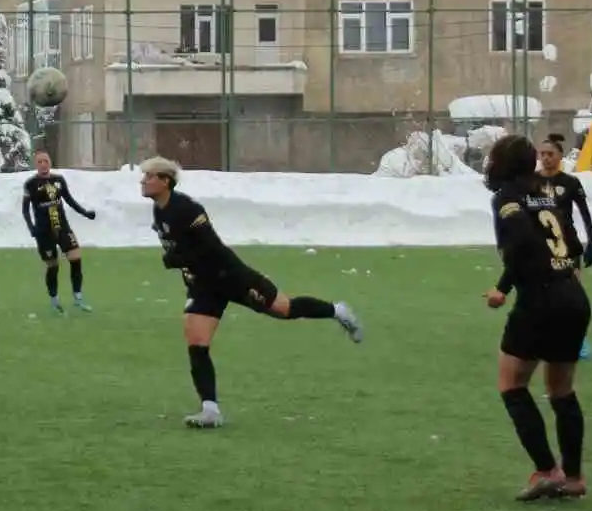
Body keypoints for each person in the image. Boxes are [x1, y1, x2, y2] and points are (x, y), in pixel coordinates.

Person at [139, 156, 362, 429]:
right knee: (197, 343)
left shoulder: (187, 208)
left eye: (148, 176)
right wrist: (179, 259)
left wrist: (179, 257)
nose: (143, 181)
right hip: (203, 285)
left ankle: (336, 310)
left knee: (284, 309)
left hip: (230, 276)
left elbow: (211, 245)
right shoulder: (158, 211)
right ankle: (210, 409)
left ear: (165, 181)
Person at [482, 134, 591, 501]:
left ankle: (546, 470)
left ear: (502, 163)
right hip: (573, 296)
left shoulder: (507, 198)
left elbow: (522, 245)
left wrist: (502, 288)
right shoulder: (546, 193)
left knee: (511, 384)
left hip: (541, 299)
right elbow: (573, 245)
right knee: (561, 391)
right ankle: (573, 477)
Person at [535, 132, 592, 359]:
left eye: (550, 154)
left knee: (573, 296)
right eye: (542, 154)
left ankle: (578, 342)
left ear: (560, 156)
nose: (546, 158)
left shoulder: (570, 183)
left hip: (568, 247)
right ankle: (546, 340)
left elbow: (585, 213)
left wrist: (591, 242)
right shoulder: (532, 182)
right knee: (542, 294)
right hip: (541, 247)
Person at [21, 149, 96, 314]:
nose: (43, 164)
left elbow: (69, 200)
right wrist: (32, 228)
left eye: (45, 161)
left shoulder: (59, 180)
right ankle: (54, 301)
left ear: (50, 162)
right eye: (39, 162)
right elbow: (25, 210)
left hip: (62, 227)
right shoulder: (30, 184)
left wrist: (85, 213)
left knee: (76, 258)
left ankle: (78, 297)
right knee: (53, 266)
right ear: (36, 164)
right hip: (43, 231)